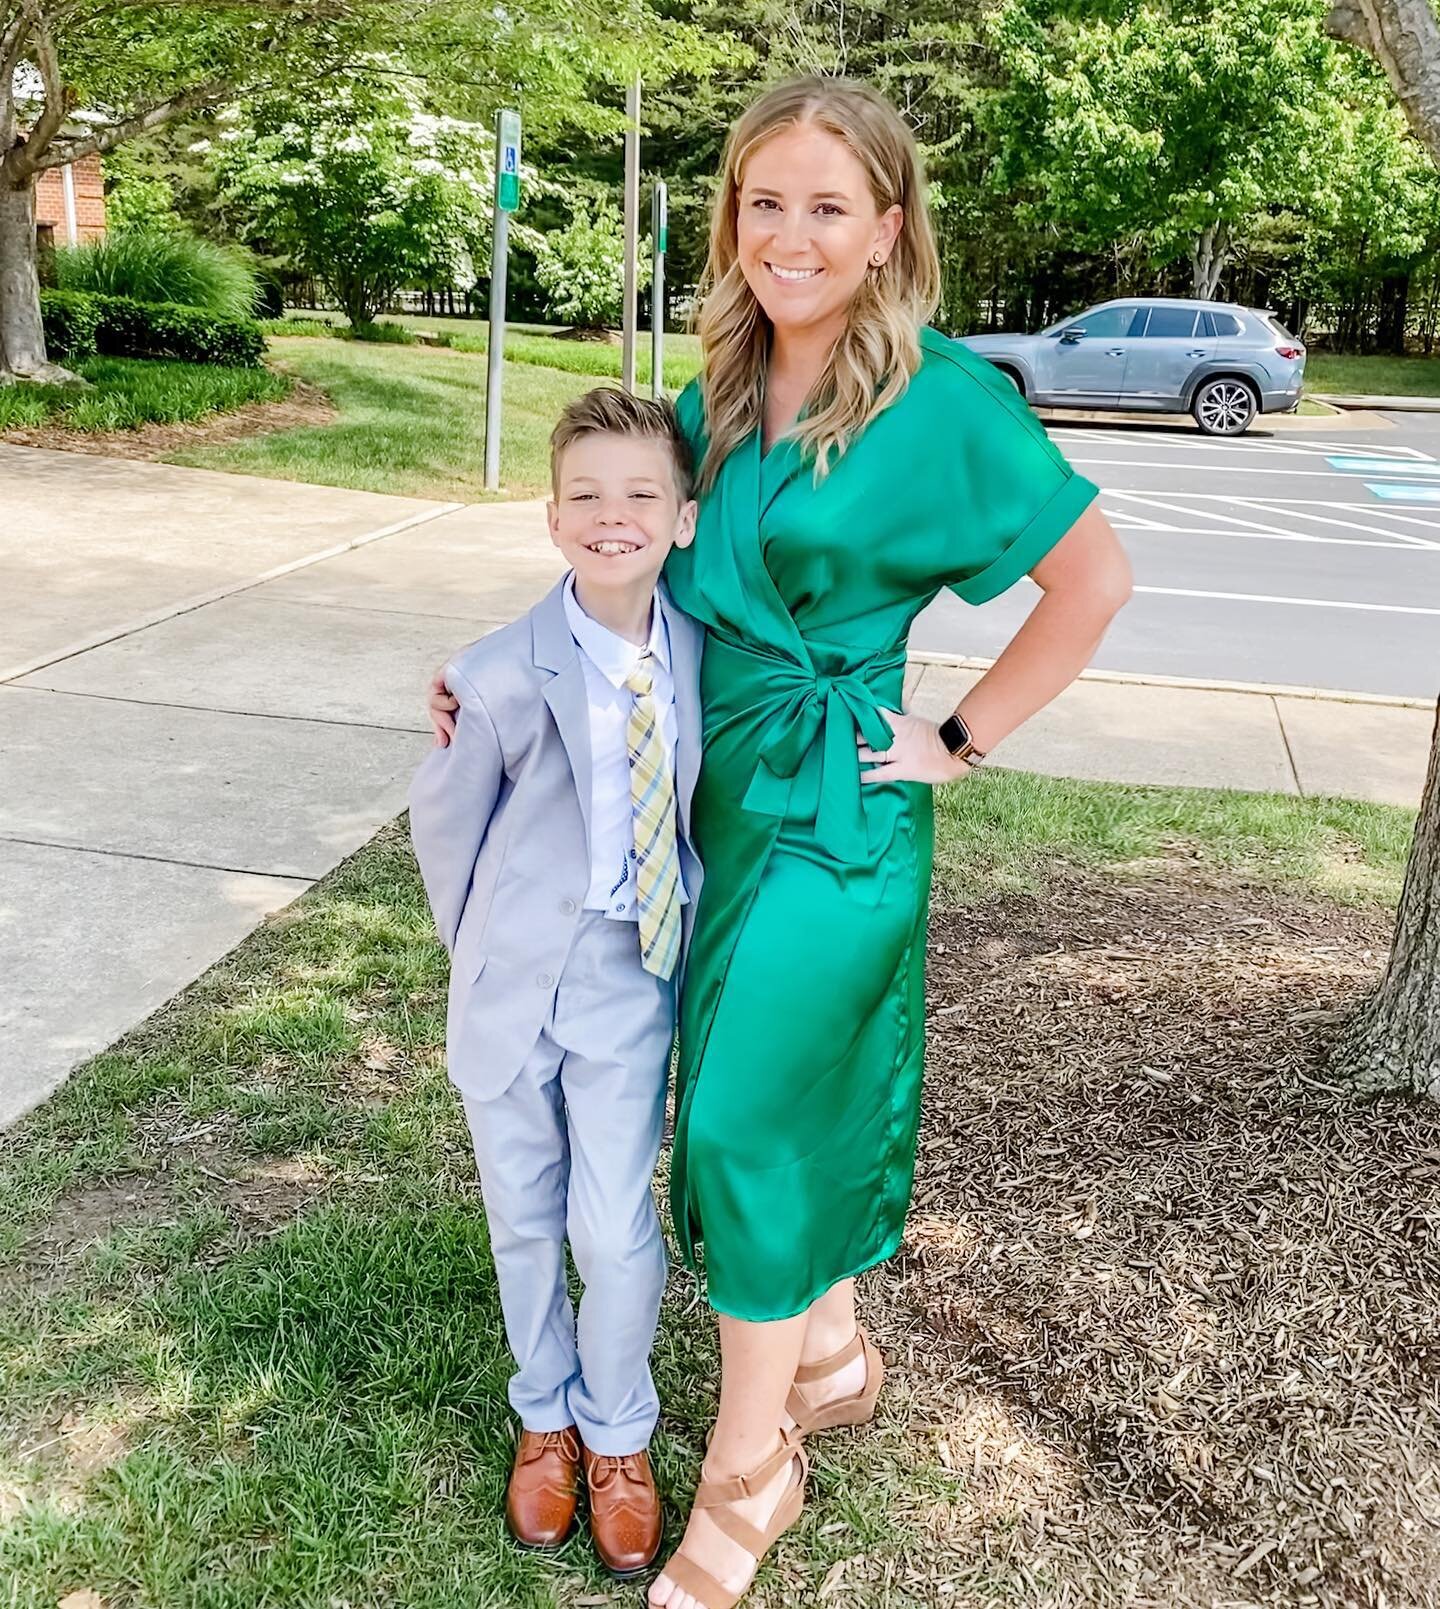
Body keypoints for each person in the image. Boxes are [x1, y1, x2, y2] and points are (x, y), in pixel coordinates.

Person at [430, 77, 1133, 1609]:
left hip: (839, 819)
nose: (791, 235)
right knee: (755, 1089)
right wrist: (489, 680)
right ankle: (826, 1347)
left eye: (828, 206)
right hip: (711, 820)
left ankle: (753, 1467)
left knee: (743, 1117)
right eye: (765, 201)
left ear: (888, 229)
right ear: (732, 219)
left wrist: (953, 739)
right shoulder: (710, 404)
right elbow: (624, 576)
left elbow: (1094, 584)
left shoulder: (950, 404)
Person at [409, 386, 702, 1581]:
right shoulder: (489, 675)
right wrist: (481, 956)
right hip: (511, 979)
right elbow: (447, 837)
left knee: (615, 1224)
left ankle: (620, 1431)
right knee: (523, 1207)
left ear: (684, 518)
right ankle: (548, 1414)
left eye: (641, 494)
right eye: (586, 495)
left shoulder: (708, 660)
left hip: (631, 974)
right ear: (551, 518)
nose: (613, 515)